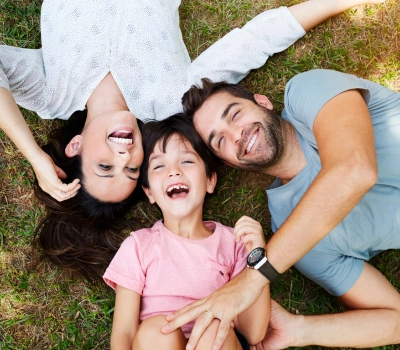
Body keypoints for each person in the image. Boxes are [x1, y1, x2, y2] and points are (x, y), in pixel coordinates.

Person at [1, 0, 365, 278]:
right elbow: (252, 43)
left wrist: (33, 154)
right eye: (132, 170)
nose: (126, 153)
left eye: (106, 165)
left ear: (75, 146)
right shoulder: (172, 98)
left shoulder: (50, 93)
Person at [161, 67, 400, 349]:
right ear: (228, 163)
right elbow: (395, 321)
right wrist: (299, 330)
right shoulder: (296, 242)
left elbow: (355, 169)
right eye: (220, 140)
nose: (236, 134)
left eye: (235, 115)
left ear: (262, 101)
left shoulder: (307, 92)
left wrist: (250, 282)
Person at [102, 114, 270, 349]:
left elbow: (253, 332)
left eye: (187, 161)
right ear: (149, 192)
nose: (174, 171)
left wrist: (259, 257)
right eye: (160, 166)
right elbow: (124, 333)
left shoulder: (236, 243)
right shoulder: (138, 246)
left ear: (210, 180)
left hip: (217, 343)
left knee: (211, 329)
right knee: (156, 330)